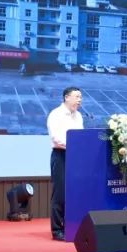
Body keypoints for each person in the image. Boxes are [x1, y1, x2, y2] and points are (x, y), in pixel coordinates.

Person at [46, 86, 84, 241]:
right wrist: (74, 146)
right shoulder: (56, 114)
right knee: (60, 194)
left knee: (74, 193)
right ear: (67, 97)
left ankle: (71, 226)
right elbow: (56, 139)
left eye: (81, 97)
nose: (80, 100)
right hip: (60, 156)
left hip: (76, 157)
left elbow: (81, 137)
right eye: (77, 96)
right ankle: (57, 230)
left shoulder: (79, 116)